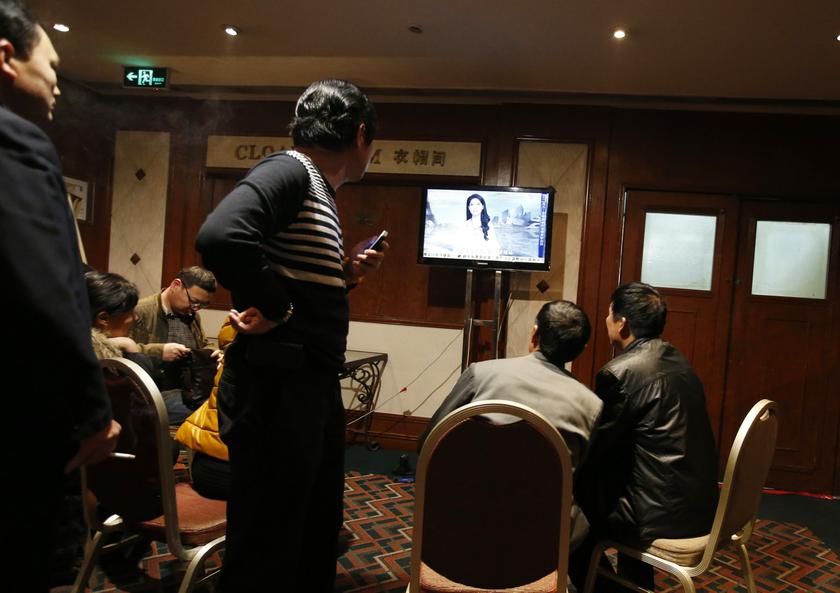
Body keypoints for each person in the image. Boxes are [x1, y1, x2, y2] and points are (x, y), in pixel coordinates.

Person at [195, 79, 387, 593]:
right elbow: (220, 236)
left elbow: (295, 280)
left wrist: (345, 275)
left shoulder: (316, 186)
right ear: (361, 134)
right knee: (269, 545)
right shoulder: (291, 170)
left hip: (303, 384)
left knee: (308, 530)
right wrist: (277, 306)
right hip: (279, 389)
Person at [0, 2, 120, 591]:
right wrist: (92, 414)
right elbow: (43, 288)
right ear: (6, 57)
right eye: (50, 66)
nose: (57, 84)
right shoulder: (16, 142)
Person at [570, 282, 719, 592]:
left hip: (657, 515)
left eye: (609, 314)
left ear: (622, 323)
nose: (606, 320)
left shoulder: (620, 373)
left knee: (567, 507)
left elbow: (596, 448)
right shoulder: (679, 361)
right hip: (697, 506)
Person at [419, 300, 603, 549]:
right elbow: (582, 479)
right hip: (540, 538)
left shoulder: (481, 374)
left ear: (535, 333)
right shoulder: (591, 406)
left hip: (462, 522)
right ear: (581, 349)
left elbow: (428, 442)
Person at [130, 265, 220, 423]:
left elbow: (202, 344)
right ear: (175, 285)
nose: (195, 309)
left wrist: (212, 352)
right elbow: (117, 353)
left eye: (202, 305)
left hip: (185, 388)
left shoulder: (191, 314)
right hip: (152, 391)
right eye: (194, 301)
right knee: (212, 412)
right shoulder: (140, 311)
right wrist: (160, 351)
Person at [460, 193, 500, 257]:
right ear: (468, 207)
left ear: (482, 207)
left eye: (478, 204)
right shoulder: (464, 225)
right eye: (472, 204)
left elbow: (495, 247)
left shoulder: (488, 225)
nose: (475, 207)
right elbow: (460, 247)